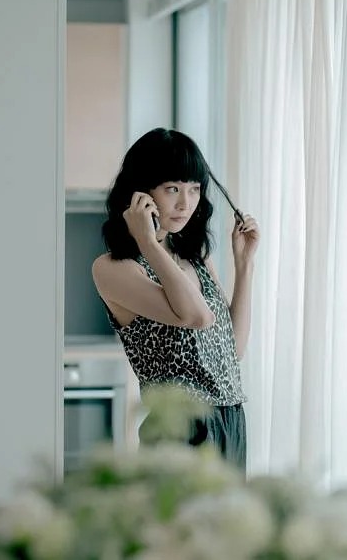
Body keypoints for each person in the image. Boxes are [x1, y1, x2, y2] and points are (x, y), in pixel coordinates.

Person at [92, 128, 260, 470]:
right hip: (178, 428)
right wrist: (148, 242)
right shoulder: (114, 267)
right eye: (172, 189)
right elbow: (197, 317)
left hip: (230, 420)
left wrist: (244, 266)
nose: (186, 203)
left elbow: (232, 349)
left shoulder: (195, 259)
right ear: (141, 194)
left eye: (194, 189)